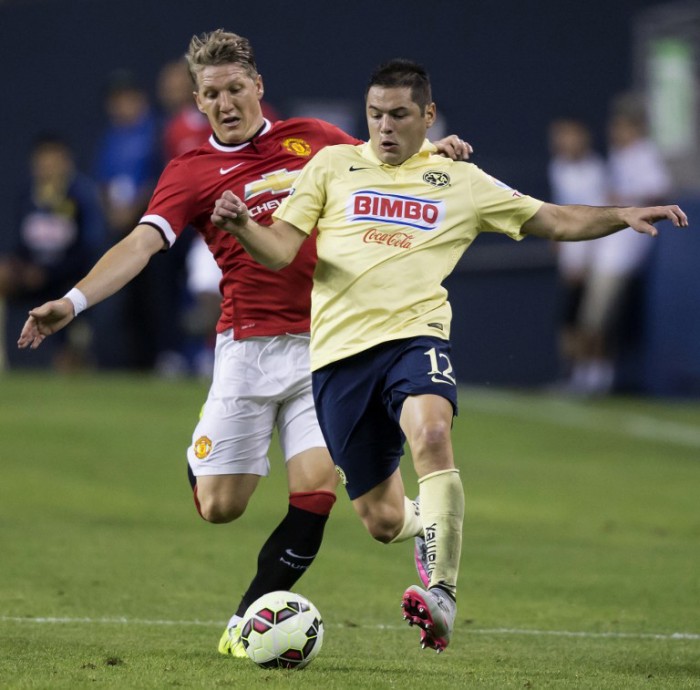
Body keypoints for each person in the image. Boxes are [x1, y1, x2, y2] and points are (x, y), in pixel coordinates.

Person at [17, 31, 471, 658]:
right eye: (212, 94)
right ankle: (220, 462)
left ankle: (242, 627)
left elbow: (387, 159)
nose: (226, 102)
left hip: (325, 347)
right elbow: (141, 246)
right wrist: (72, 301)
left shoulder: (314, 140)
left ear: (258, 87)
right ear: (197, 102)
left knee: (320, 496)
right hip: (245, 351)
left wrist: (435, 149)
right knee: (219, 506)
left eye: (236, 89)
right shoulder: (191, 172)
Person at [209, 59, 688, 652]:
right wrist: (243, 228)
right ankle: (423, 524)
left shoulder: (459, 180)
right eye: (375, 114)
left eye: (400, 115)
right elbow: (280, 250)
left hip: (416, 338)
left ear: (427, 116)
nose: (385, 127)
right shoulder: (332, 166)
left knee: (432, 435)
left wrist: (621, 215)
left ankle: (442, 595)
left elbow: (554, 218)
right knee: (381, 520)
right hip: (338, 359)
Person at [0, 134, 105, 370]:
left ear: (66, 162)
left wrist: (48, 273)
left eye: (53, 161)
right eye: (42, 162)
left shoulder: (82, 195)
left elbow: (89, 249)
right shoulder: (27, 195)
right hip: (33, 274)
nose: (47, 168)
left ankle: (76, 350)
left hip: (69, 277)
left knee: (67, 363)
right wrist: (18, 267)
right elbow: (21, 244)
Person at [546, 117, 609, 392]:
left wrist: (586, 259)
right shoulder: (557, 168)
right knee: (569, 318)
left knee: (592, 319)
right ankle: (574, 374)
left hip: (596, 256)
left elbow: (598, 217)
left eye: (568, 136)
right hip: (570, 256)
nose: (563, 142)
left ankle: (595, 375)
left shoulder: (597, 171)